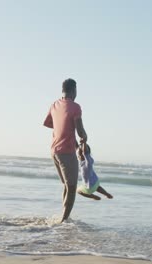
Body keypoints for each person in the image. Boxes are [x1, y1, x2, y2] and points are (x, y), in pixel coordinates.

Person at [43, 78, 87, 223]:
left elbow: (50, 124)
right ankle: (64, 222)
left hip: (55, 151)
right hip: (66, 153)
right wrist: (84, 137)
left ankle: (63, 218)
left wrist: (74, 144)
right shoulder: (75, 107)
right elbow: (80, 131)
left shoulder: (55, 105)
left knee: (67, 186)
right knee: (72, 188)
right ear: (74, 90)